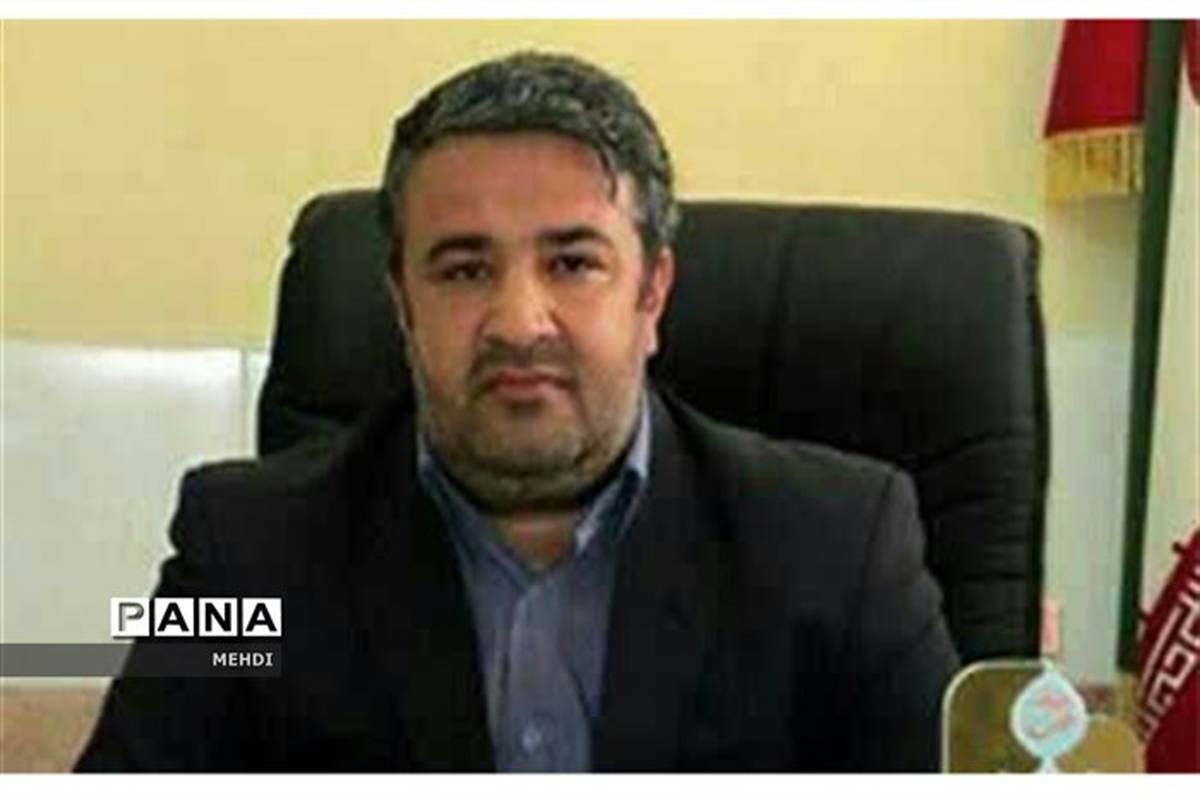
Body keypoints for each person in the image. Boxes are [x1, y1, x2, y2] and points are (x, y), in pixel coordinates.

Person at [77, 51, 959, 772]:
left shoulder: (840, 548)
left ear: (652, 292)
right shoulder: (242, 555)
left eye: (572, 264)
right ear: (402, 305)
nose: (519, 321)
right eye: (465, 269)